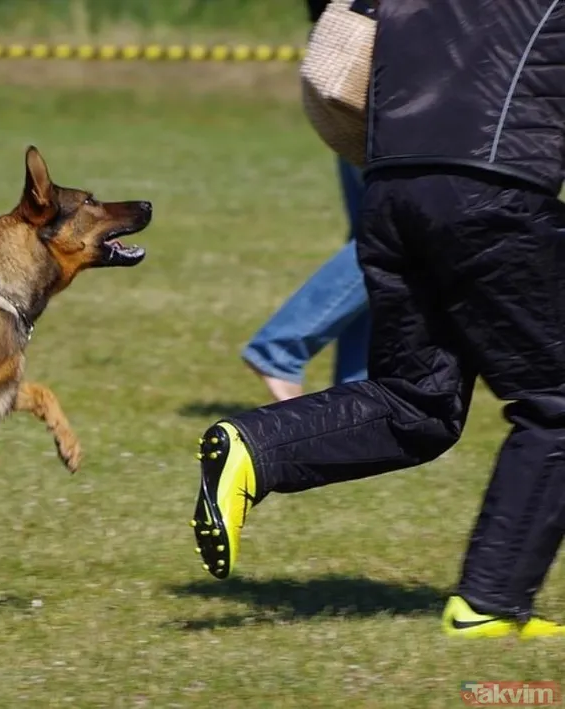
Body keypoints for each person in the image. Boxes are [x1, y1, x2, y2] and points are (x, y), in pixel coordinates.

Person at [190, 0, 565, 639]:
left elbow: (335, 43)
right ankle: (491, 604)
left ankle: (256, 449)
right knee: (556, 402)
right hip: (492, 190)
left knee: (417, 402)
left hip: (390, 190)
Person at [241, 156, 370, 402]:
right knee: (394, 238)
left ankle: (354, 396)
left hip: (366, 126)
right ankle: (281, 348)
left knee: (376, 237)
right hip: (414, 132)